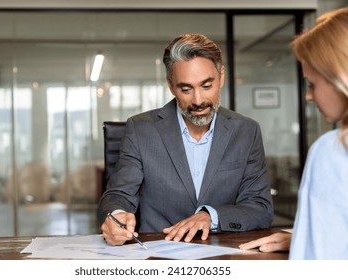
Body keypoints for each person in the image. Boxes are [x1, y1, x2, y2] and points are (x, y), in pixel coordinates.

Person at [97, 33, 274, 246]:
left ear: (222, 77)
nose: (198, 101)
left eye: (206, 86)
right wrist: (115, 216)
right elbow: (118, 194)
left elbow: (260, 208)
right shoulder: (140, 129)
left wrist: (210, 216)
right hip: (157, 255)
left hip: (222, 255)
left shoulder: (247, 131)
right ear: (171, 85)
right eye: (186, 89)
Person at [239, 7, 348, 259]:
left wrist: (306, 244)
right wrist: (301, 236)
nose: (309, 96)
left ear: (340, 77)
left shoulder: (333, 149)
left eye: (312, 84)